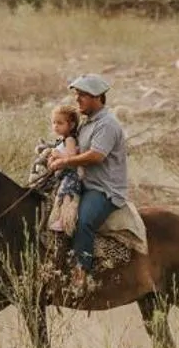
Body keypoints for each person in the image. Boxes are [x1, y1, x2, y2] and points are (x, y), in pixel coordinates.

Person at [41, 74, 132, 281]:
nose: (77, 99)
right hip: (85, 183)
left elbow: (96, 156)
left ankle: (81, 274)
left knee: (83, 221)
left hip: (103, 189)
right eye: (77, 94)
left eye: (83, 95)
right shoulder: (87, 123)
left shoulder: (107, 124)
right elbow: (74, 149)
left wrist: (64, 162)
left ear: (98, 97)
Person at [28, 103, 86, 237]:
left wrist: (57, 155)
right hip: (61, 174)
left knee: (64, 193)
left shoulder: (70, 139)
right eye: (53, 123)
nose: (55, 126)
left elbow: (72, 158)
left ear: (71, 125)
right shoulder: (61, 140)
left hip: (70, 175)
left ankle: (64, 220)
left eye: (60, 123)